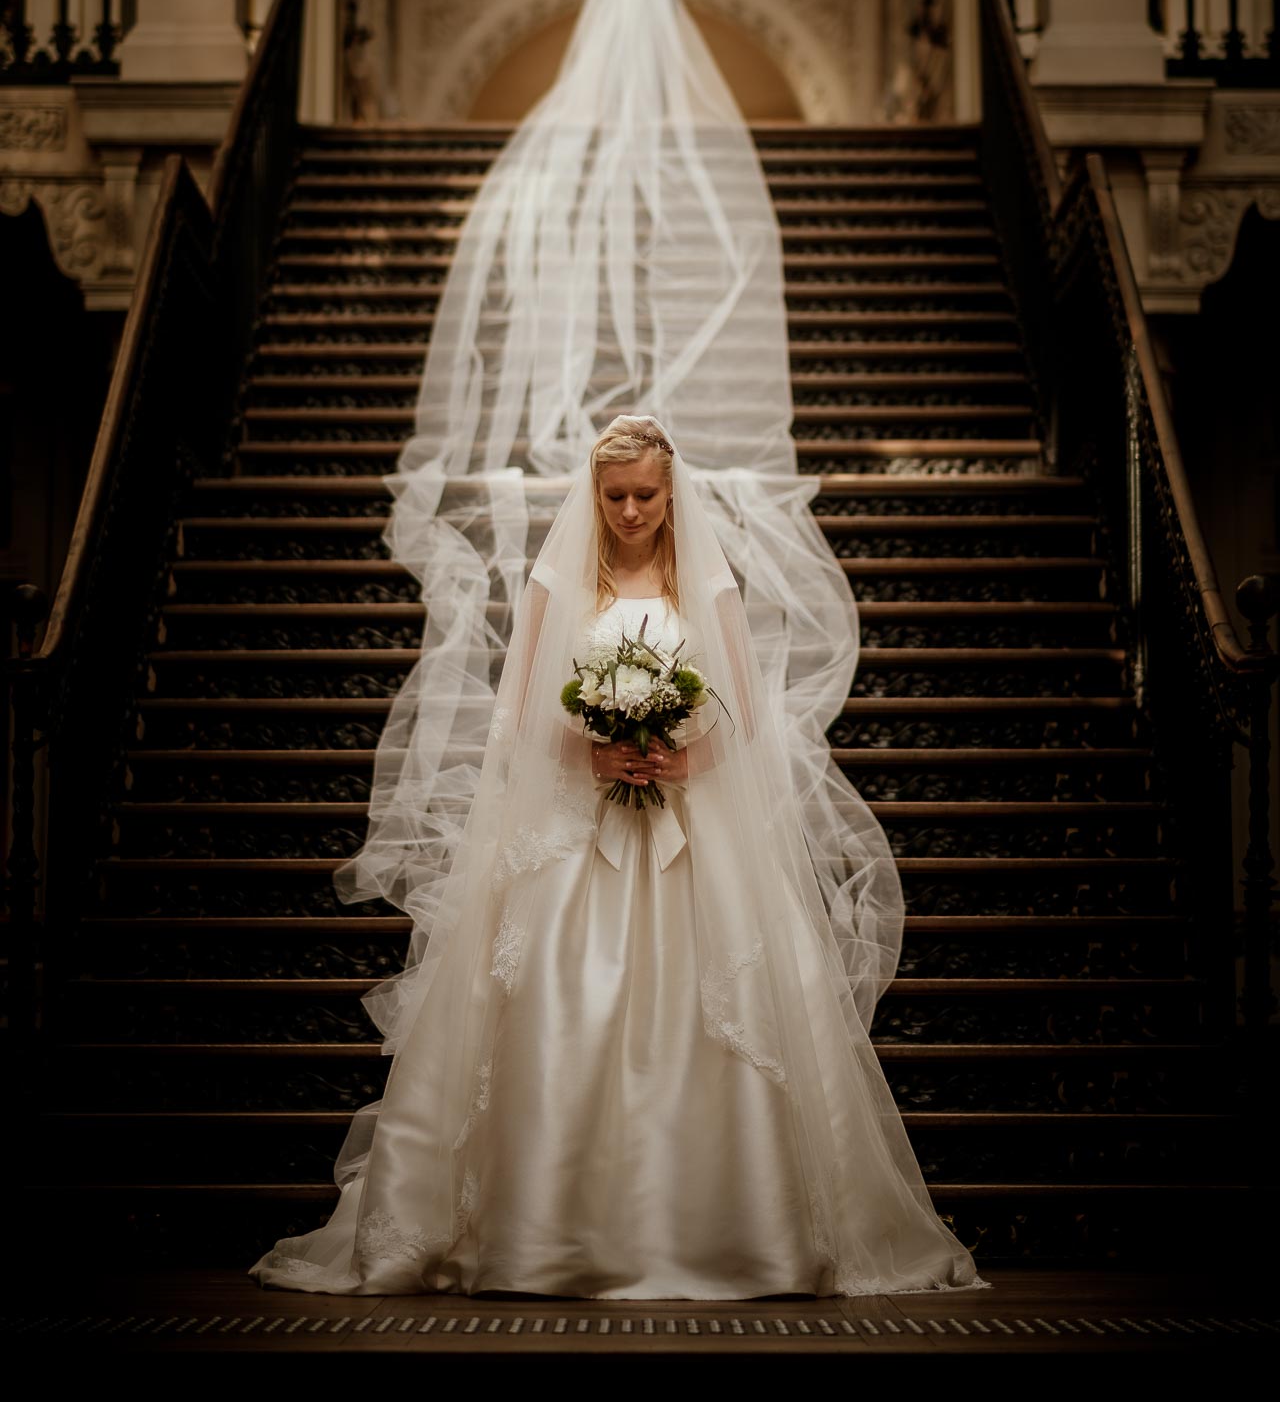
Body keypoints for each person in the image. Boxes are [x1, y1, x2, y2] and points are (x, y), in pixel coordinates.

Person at [249, 413, 986, 1297]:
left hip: (688, 824)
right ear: (593, 497)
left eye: (644, 495)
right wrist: (590, 752)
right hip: (578, 823)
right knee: (558, 1002)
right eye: (614, 496)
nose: (630, 511)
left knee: (723, 1013)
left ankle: (739, 1230)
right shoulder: (562, 576)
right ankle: (542, 1233)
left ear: (671, 494)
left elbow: (743, 712)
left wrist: (684, 758)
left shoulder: (704, 581)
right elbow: (519, 708)